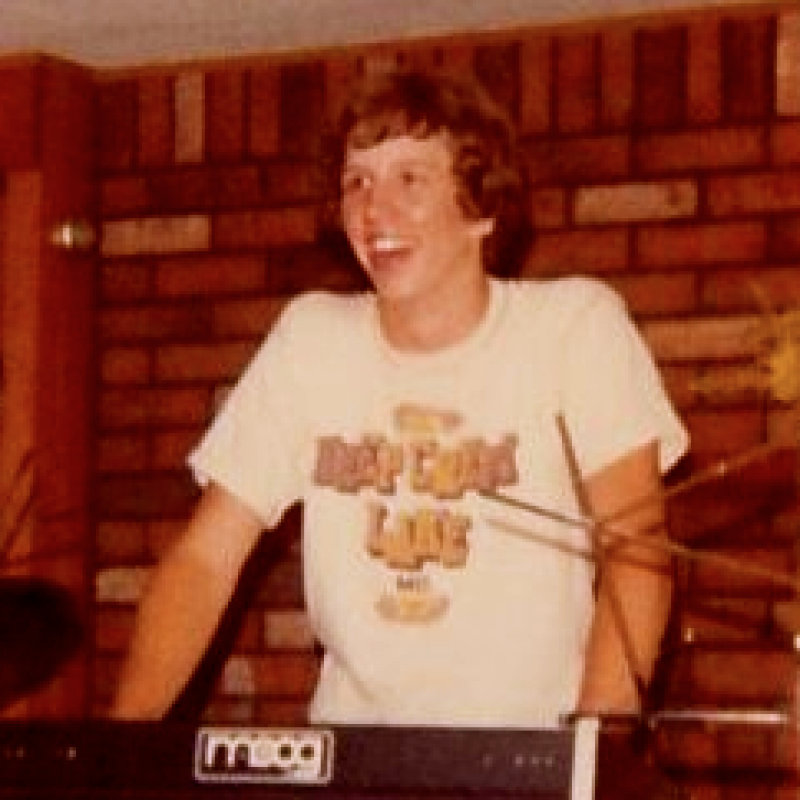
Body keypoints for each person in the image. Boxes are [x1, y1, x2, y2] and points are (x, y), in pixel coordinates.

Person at [111, 68, 689, 728]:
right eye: (356, 182)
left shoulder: (573, 328)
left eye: (409, 179)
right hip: (355, 754)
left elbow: (638, 550)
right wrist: (117, 751)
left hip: (532, 746)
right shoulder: (312, 340)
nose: (373, 210)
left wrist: (592, 752)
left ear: (481, 209)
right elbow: (204, 560)